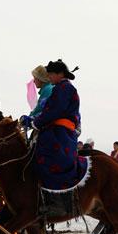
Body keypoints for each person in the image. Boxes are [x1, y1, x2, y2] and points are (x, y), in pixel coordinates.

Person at [19, 59, 87, 192]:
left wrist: (34, 122)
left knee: (44, 157)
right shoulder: (60, 88)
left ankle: (52, 195)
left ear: (60, 74)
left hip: (60, 133)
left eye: (50, 74)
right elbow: (48, 112)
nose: (48, 77)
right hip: (56, 129)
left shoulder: (64, 88)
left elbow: (55, 111)